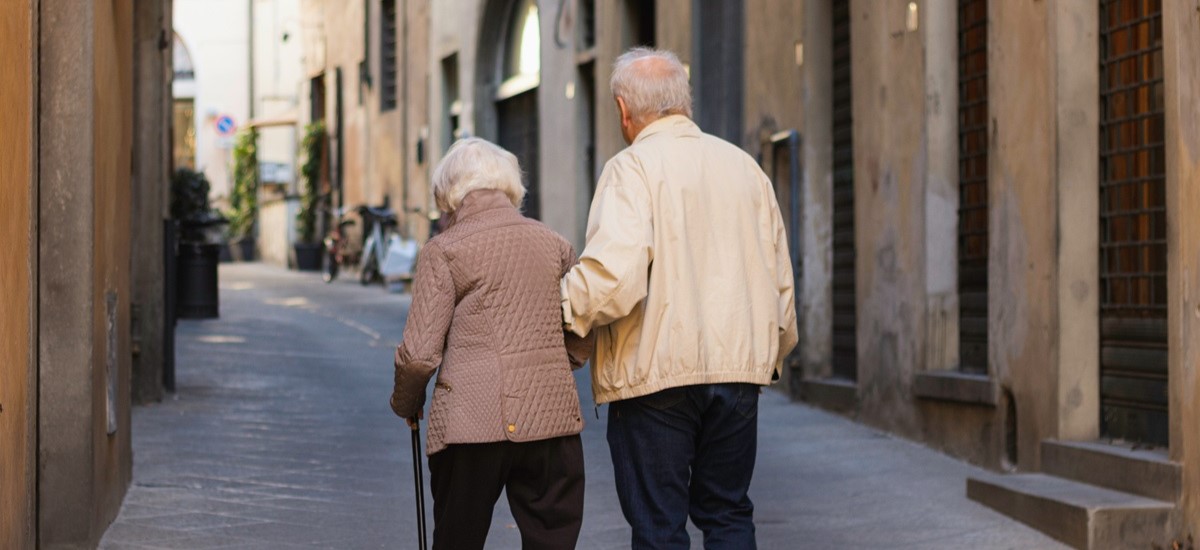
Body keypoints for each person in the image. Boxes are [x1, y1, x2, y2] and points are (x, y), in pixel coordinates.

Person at [561, 48, 799, 549]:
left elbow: (612, 279)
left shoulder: (631, 169)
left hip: (655, 378)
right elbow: (781, 284)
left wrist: (558, 312)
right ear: (684, 103)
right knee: (729, 513)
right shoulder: (745, 168)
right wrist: (767, 358)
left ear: (625, 110)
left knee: (659, 528)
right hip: (738, 375)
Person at [391, 137, 593, 550]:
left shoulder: (444, 250)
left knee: (458, 540)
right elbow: (582, 321)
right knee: (552, 540)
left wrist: (406, 402)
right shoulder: (555, 243)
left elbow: (419, 356)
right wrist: (559, 361)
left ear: (449, 194)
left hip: (470, 427)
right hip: (550, 421)